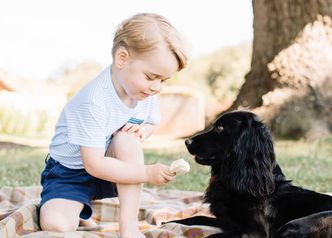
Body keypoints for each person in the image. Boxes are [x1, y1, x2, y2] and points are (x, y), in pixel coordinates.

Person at [39, 13, 188, 238]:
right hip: (71, 172)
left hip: (111, 165)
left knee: (127, 141)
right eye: (151, 77)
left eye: (163, 80)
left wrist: (143, 131)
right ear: (122, 58)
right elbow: (94, 164)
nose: (156, 87)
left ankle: (129, 227)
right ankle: (73, 206)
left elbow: (150, 123)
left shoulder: (144, 93)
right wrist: (146, 173)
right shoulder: (93, 101)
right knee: (57, 226)